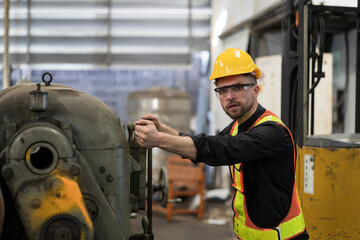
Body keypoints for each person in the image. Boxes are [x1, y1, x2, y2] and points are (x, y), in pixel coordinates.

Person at [134, 48, 309, 240]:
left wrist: (159, 140)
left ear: (255, 90)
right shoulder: (236, 127)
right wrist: (165, 131)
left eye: (237, 87)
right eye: (223, 90)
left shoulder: (273, 132)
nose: (229, 96)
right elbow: (209, 143)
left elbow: (220, 150)